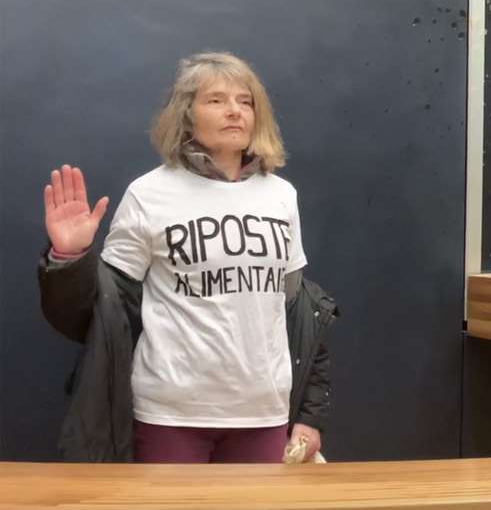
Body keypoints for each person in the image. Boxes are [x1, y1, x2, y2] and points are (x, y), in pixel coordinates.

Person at [38, 51, 337, 463]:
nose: (234, 111)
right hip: (170, 414)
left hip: (263, 413)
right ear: (186, 115)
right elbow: (103, 316)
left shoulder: (281, 196)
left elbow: (298, 314)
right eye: (215, 100)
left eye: (245, 101)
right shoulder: (149, 194)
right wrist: (69, 257)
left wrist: (309, 415)